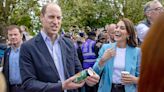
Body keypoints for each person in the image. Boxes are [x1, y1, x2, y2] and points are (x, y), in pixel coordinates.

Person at [19, 3, 99, 92]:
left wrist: (87, 78)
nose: (56, 22)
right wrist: (61, 86)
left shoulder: (69, 44)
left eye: (58, 18)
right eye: (51, 17)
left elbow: (78, 72)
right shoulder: (28, 47)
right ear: (41, 17)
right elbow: (29, 83)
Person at [93, 18, 141, 92]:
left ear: (128, 33)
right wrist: (103, 60)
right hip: (107, 89)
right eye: (116, 27)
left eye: (122, 28)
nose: (117, 30)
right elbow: (95, 72)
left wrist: (134, 80)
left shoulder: (137, 52)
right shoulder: (106, 48)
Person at [138, 12, 164, 92]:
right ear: (148, 13)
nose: (161, 11)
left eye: (161, 8)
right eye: (157, 9)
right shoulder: (142, 26)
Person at [2, 25, 24, 92]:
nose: (13, 37)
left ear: (21, 35)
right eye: (10, 35)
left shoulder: (28, 50)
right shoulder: (7, 52)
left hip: (26, 88)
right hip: (11, 89)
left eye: (15, 34)